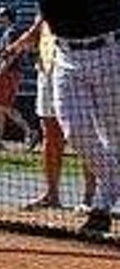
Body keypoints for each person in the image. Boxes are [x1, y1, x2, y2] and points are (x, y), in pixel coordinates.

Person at [0, 0, 120, 235]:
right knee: (75, 130)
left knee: (113, 135)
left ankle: (102, 207)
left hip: (110, 51)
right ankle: (113, 186)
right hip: (65, 55)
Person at [6, 19, 97, 210]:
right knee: (50, 134)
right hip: (47, 68)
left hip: (75, 68)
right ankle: (52, 195)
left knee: (85, 134)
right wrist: (16, 47)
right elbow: (38, 28)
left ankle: (89, 198)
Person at [0, 6, 37, 151]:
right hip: (11, 72)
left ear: (7, 17)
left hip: (8, 72)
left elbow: (12, 55)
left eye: (0, 15)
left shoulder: (11, 32)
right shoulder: (9, 32)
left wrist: (1, 71)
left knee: (0, 106)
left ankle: (29, 131)